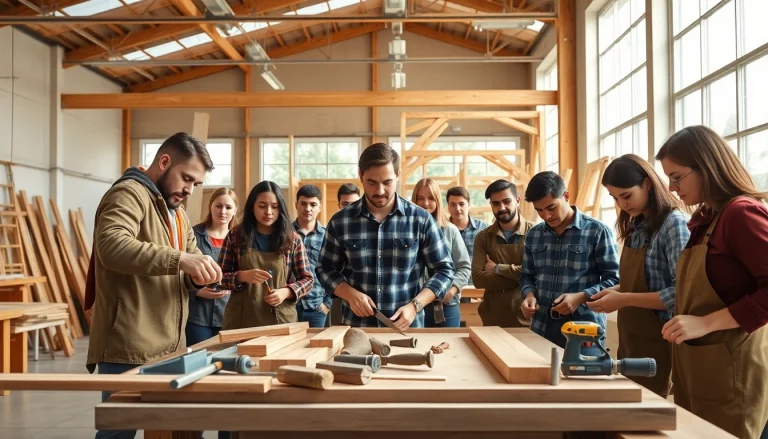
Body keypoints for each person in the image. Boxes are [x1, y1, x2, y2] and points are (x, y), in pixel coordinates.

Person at [86, 132, 221, 439]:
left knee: (169, 428)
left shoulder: (177, 213)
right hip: (128, 345)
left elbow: (190, 256)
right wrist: (180, 261)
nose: (189, 190)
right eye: (186, 178)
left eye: (195, 184)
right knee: (118, 433)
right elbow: (111, 245)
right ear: (164, 162)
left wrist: (198, 274)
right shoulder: (128, 194)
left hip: (168, 346)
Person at [656, 125, 768, 439]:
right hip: (700, 369)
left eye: (676, 177)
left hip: (732, 371)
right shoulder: (706, 220)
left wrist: (706, 323)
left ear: (707, 166)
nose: (672, 188)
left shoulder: (741, 214)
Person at [316, 143, 454, 330]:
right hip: (358, 330)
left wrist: (416, 305)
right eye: (372, 182)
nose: (380, 191)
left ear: (397, 175)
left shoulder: (420, 220)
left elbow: (444, 270)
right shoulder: (340, 222)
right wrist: (349, 294)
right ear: (360, 176)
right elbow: (325, 268)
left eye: (387, 182)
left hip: (408, 331)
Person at [585, 154, 689, 397]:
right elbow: (646, 281)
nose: (622, 204)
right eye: (615, 198)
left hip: (661, 339)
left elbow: (679, 292)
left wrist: (623, 299)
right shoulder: (637, 226)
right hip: (632, 339)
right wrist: (617, 291)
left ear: (648, 184)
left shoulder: (674, 225)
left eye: (627, 195)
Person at [519, 171, 619, 352]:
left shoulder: (597, 231)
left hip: (584, 328)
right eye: (539, 210)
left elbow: (615, 280)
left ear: (566, 196)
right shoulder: (534, 235)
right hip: (542, 327)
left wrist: (581, 297)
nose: (546, 216)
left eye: (551, 208)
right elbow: (527, 275)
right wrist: (529, 296)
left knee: (583, 379)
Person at [218, 181, 313, 329]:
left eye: (274, 207)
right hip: (241, 321)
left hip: (280, 319)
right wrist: (242, 276)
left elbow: (308, 279)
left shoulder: (292, 239)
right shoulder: (235, 236)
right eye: (262, 206)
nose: (268, 212)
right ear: (252, 207)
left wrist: (286, 292)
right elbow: (220, 278)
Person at [472, 179, 533, 327]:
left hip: (528, 319)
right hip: (492, 318)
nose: (502, 207)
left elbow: (537, 274)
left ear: (517, 200)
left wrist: (498, 268)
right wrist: (520, 278)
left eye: (507, 201)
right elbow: (478, 279)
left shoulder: (534, 233)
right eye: (496, 203)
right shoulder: (483, 237)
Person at [412, 178, 471, 327]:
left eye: (431, 198)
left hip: (445, 306)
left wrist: (451, 290)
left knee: (448, 348)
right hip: (412, 306)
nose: (425, 203)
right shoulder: (405, 231)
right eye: (420, 198)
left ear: (437, 200)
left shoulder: (450, 230)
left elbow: (464, 267)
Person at [186, 187, 239, 346]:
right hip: (197, 316)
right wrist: (198, 291)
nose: (223, 211)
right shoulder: (192, 235)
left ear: (235, 211)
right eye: (218, 206)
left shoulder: (241, 240)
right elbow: (177, 272)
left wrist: (233, 284)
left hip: (229, 316)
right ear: (210, 206)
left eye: (228, 207)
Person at [293, 184, 332, 328]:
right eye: (303, 203)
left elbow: (336, 271)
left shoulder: (328, 236)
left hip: (317, 307)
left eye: (313, 204)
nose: (308, 208)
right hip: (290, 306)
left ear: (320, 207)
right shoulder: (285, 234)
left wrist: (327, 304)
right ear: (296, 204)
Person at [447, 186, 488, 262]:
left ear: (469, 204)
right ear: (448, 206)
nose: (457, 208)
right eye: (453, 204)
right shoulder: (441, 229)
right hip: (451, 273)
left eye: (461, 204)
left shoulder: (483, 229)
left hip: (476, 273)